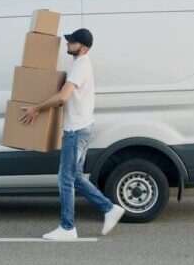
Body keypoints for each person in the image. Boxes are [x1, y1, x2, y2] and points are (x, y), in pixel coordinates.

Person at [19, 28, 125, 240]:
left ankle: (68, 228)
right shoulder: (81, 64)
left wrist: (36, 109)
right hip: (82, 127)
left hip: (76, 130)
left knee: (65, 179)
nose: (67, 44)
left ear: (83, 47)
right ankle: (109, 208)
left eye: (72, 42)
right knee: (75, 177)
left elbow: (63, 97)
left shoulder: (80, 65)